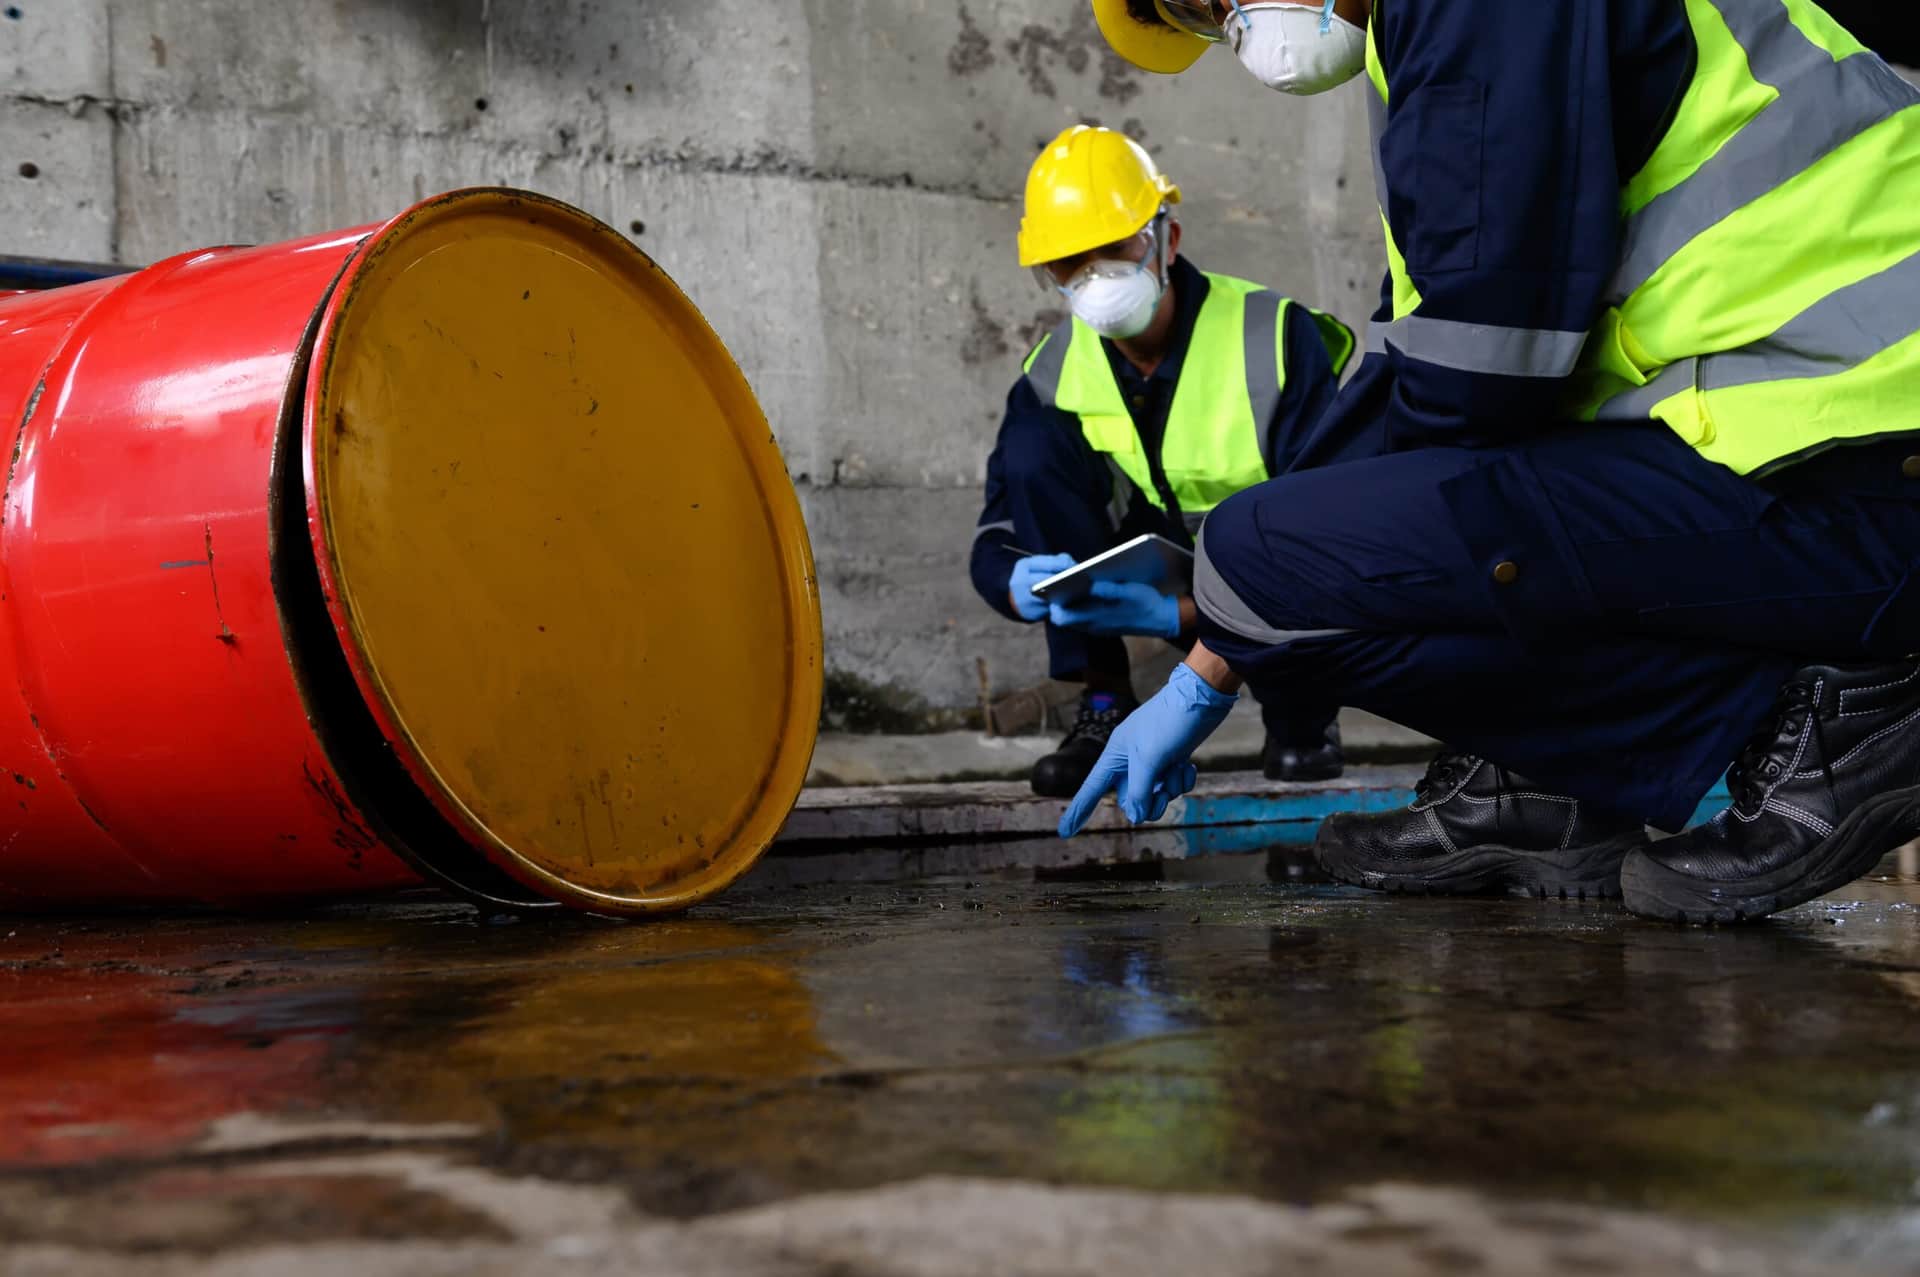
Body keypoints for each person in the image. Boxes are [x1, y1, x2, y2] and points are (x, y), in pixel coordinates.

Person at [1063, 0, 1920, 925]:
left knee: (1272, 560)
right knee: (1273, 567)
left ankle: (1865, 714)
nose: (1234, 25)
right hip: (1805, 440)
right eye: (1200, 15)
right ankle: (1551, 784)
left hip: (1864, 457)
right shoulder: (1426, 33)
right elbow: (1429, 364)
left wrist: (1236, 609)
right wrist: (1220, 640)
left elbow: (1481, 368)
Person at [973, 124, 1356, 797]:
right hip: (1143, 581)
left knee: (1312, 548)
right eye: (1070, 262)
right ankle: (1103, 702)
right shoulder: (1050, 375)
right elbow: (995, 535)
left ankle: (1302, 715)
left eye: (1115, 249)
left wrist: (1180, 617)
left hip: (1267, 583)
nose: (1096, 277)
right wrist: (1020, 583)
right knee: (1035, 452)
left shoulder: (1272, 336)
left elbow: (1334, 537)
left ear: (1167, 238)